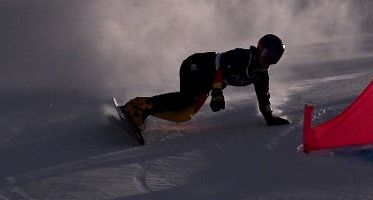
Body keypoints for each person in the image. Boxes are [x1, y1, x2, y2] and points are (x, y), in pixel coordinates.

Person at [121, 33, 291, 133]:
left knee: (185, 114)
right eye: (268, 55)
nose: (270, 61)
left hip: (208, 81)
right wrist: (217, 92)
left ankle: (142, 106)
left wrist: (269, 117)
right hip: (196, 66)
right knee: (187, 98)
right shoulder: (242, 56)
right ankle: (141, 108)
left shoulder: (261, 75)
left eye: (275, 59)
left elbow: (264, 98)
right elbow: (219, 68)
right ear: (260, 49)